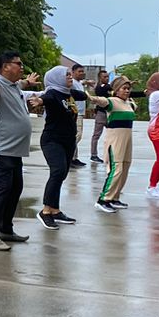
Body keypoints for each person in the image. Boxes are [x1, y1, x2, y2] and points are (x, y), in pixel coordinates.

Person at [0, 52, 45, 251]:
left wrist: (28, 82)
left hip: (14, 150)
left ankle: (6, 229)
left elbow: (21, 84)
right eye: (19, 64)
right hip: (0, 148)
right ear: (5, 67)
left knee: (15, 188)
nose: (22, 67)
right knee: (2, 190)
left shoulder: (14, 85)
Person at [37, 65, 110, 229]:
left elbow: (82, 95)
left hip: (67, 141)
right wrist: (39, 101)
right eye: (67, 75)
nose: (70, 77)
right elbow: (45, 99)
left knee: (62, 173)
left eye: (70, 74)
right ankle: (45, 211)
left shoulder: (68, 93)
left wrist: (92, 96)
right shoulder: (52, 93)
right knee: (57, 171)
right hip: (52, 140)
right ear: (56, 78)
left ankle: (55, 210)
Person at [94, 74, 138, 213]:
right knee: (116, 169)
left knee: (125, 167)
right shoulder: (112, 101)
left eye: (128, 88)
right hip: (115, 140)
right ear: (117, 90)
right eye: (124, 88)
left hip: (127, 139)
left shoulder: (129, 103)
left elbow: (133, 106)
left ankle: (114, 197)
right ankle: (103, 199)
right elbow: (100, 101)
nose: (127, 91)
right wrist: (88, 97)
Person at [66, 64, 89, 169]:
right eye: (79, 71)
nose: (82, 73)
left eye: (82, 71)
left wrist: (86, 82)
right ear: (73, 72)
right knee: (76, 136)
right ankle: (69, 157)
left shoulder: (79, 83)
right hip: (75, 112)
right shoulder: (73, 83)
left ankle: (74, 158)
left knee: (76, 135)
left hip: (80, 112)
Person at [88, 69, 112, 164]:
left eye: (107, 77)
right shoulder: (100, 87)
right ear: (100, 78)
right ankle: (93, 155)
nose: (106, 78)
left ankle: (111, 154)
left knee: (112, 134)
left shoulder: (109, 87)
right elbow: (102, 91)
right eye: (104, 77)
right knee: (96, 135)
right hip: (101, 114)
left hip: (110, 113)